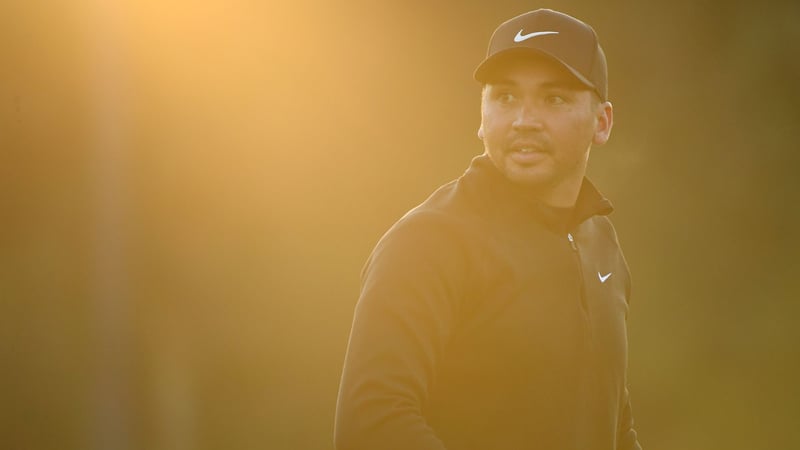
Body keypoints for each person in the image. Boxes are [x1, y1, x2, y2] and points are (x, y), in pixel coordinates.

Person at [335, 9, 642, 450]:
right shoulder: (429, 241)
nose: (524, 120)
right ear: (481, 115)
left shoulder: (602, 245)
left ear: (602, 122)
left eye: (553, 99)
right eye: (505, 97)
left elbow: (614, 424)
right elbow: (373, 424)